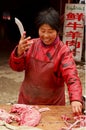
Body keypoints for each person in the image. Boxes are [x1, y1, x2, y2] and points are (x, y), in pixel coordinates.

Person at [9, 7, 83, 115]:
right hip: (27, 102)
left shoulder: (63, 51)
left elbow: (72, 76)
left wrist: (76, 99)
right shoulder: (30, 45)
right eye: (42, 31)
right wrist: (18, 53)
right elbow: (16, 68)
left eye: (50, 31)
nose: (46, 36)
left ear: (57, 31)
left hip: (53, 105)